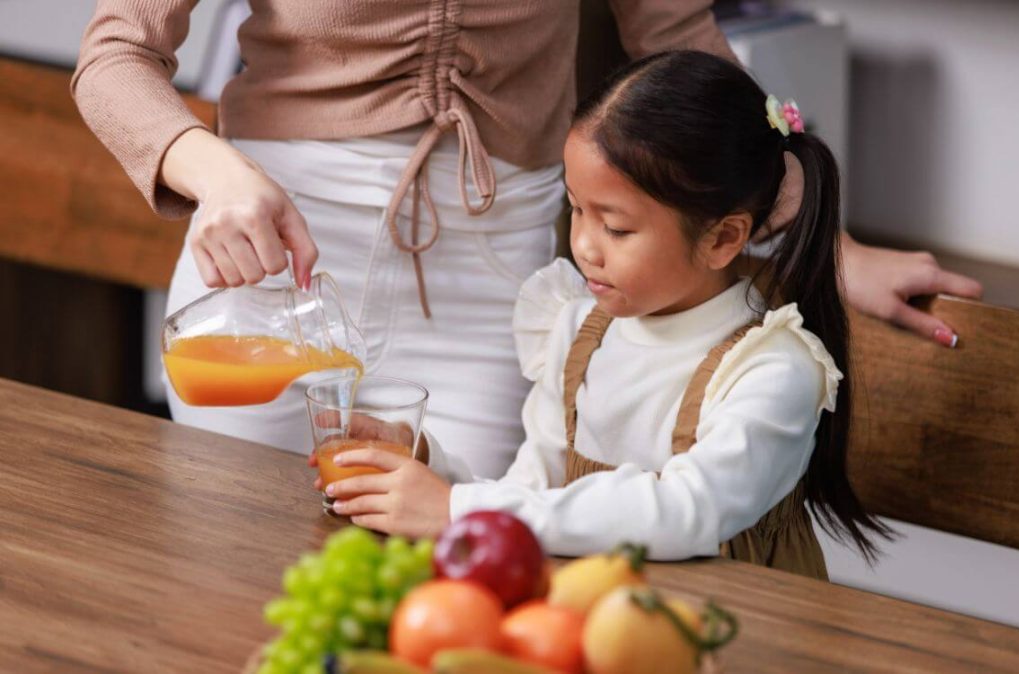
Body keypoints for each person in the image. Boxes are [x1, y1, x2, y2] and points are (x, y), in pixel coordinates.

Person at [72, 0, 737, 478]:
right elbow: (116, 55)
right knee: (233, 571)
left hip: (487, 278)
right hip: (273, 260)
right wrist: (217, 176)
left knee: (444, 584)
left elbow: (681, 40)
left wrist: (812, 227)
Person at [322, 51, 892, 576]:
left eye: (616, 227)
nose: (585, 247)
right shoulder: (576, 328)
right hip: (595, 616)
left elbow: (686, 512)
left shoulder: (772, 367)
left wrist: (455, 508)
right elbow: (533, 494)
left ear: (723, 238)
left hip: (727, 634)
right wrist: (429, 468)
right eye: (576, 209)